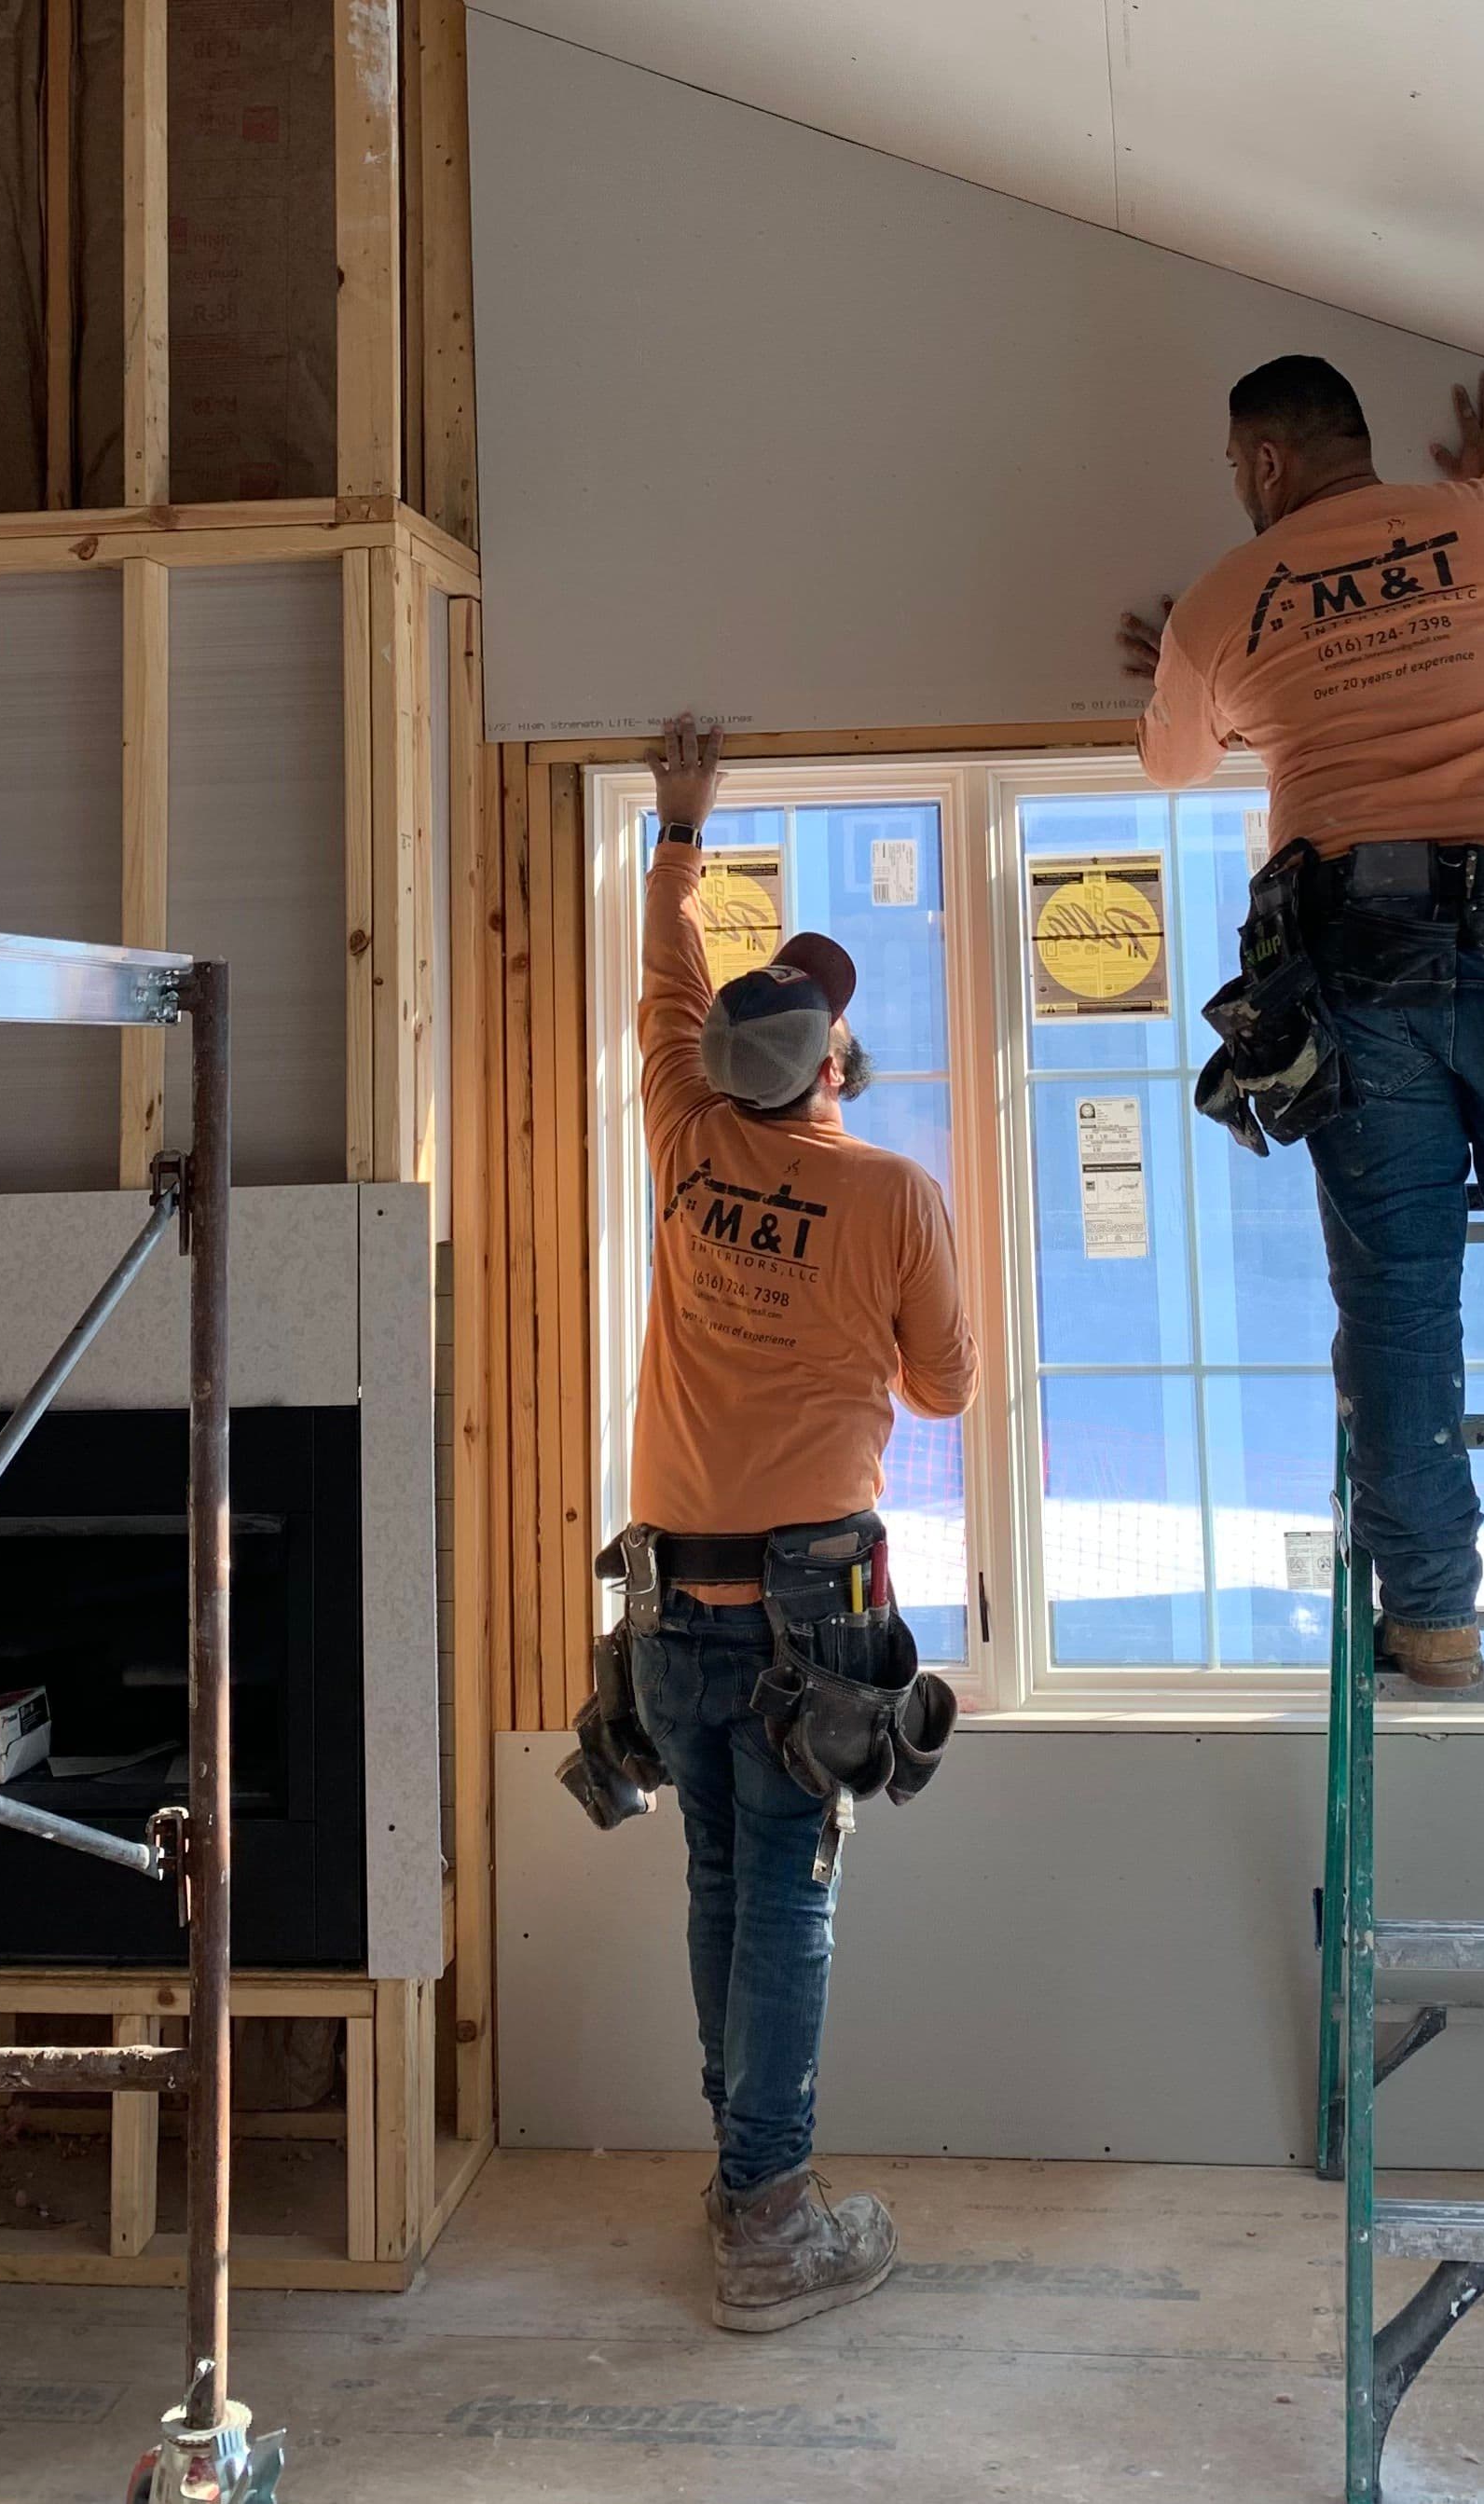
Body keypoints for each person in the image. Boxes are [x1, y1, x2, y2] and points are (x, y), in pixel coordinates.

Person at [1118, 359, 1484, 1695]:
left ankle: (1434, 1618)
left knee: (1397, 1296)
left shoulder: (1225, 603)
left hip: (1357, 968)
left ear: (1263, 462)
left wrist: (1190, 660)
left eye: (1234, 471)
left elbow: (1172, 762)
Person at [624, 713, 978, 2330]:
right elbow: (951, 1386)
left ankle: (740, 2172)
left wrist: (677, 828)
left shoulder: (681, 1139)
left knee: (718, 1881)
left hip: (668, 1610)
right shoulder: (893, 1193)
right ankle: (769, 2222)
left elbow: (664, 993)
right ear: (833, 1066)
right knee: (789, 1894)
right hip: (806, 1615)